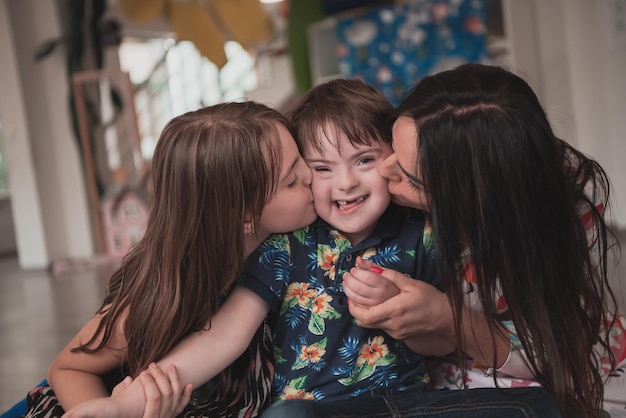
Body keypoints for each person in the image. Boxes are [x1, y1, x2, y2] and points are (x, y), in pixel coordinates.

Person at [62, 78, 561, 418]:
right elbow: (222, 339)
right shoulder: (286, 245)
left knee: (540, 406)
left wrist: (408, 315)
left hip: (407, 404)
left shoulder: (421, 232)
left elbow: (435, 343)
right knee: (287, 415)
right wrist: (128, 406)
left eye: (365, 159)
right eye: (313, 171)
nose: (340, 184)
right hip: (314, 409)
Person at [341, 63, 622, 417]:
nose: (384, 170)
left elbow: (554, 342)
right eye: (391, 145)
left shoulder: (567, 198)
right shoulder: (369, 196)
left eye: (411, 179)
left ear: (477, 200)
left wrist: (446, 317)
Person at [28, 101, 317, 418]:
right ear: (244, 217)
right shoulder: (171, 292)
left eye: (306, 159)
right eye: (291, 181)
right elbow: (68, 368)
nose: (311, 176)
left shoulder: (292, 242)